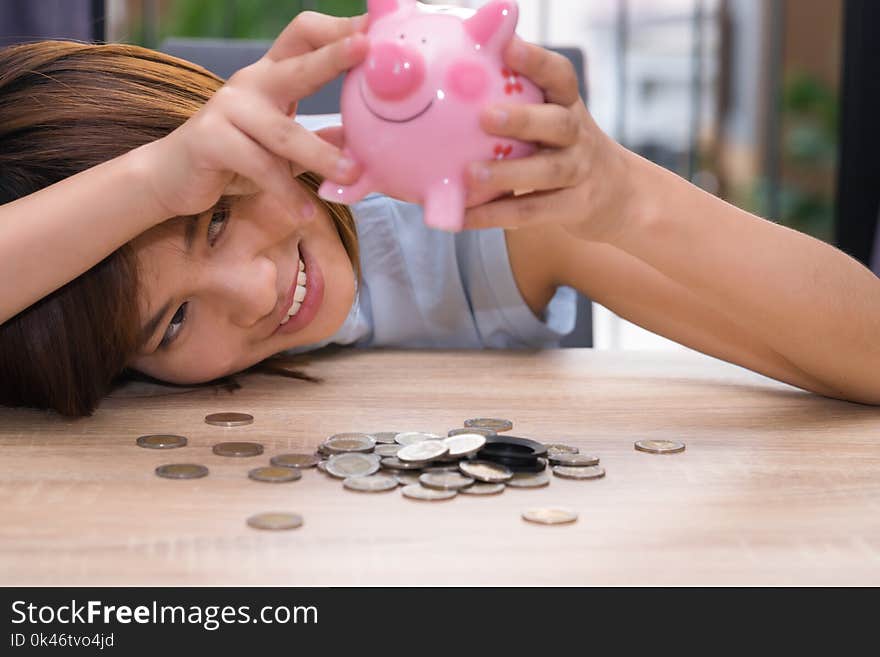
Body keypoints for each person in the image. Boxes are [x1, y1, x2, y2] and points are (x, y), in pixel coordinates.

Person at [1, 12, 878, 417]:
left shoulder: (475, 202)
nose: (261, 287)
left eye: (218, 216)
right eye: (173, 322)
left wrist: (626, 195)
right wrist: (155, 183)